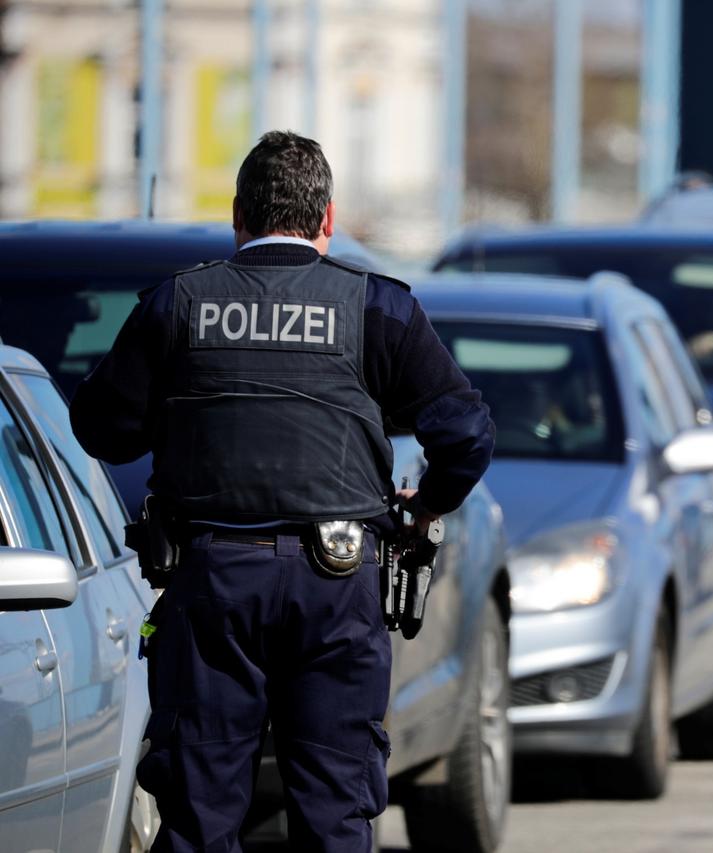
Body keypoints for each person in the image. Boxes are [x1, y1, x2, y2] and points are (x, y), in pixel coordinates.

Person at [70, 131, 495, 852]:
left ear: (237, 215)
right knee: (334, 814)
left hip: (211, 584)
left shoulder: (180, 303)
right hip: (337, 584)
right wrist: (423, 507)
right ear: (327, 219)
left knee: (200, 813)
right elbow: (466, 434)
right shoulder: (375, 308)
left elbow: (102, 428)